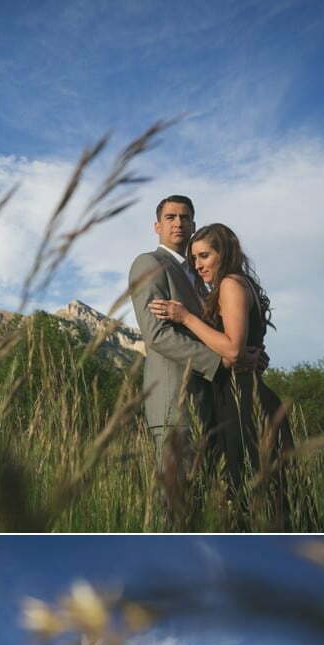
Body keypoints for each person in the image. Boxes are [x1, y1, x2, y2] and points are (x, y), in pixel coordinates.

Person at [147, 223, 293, 515]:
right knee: (255, 493)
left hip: (243, 400)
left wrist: (185, 317)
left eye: (205, 256)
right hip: (242, 392)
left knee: (249, 494)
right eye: (194, 258)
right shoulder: (237, 284)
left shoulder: (230, 284)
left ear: (224, 253)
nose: (198, 265)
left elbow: (233, 350)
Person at [128, 201, 264, 498]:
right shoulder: (149, 264)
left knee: (212, 501)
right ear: (157, 226)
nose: (178, 222)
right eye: (170, 217)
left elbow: (225, 333)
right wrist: (223, 360)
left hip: (216, 404)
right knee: (177, 503)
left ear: (193, 225)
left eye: (185, 217)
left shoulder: (204, 277)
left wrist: (250, 353)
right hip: (176, 403)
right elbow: (157, 335)